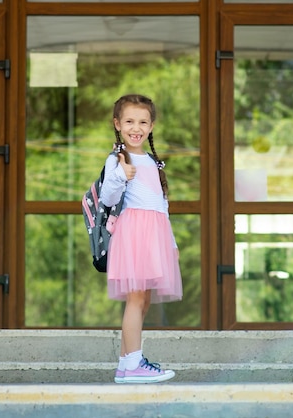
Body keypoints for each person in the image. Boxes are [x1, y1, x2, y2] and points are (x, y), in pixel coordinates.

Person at [100, 94, 183, 384]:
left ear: (152, 126)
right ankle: (134, 363)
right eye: (129, 121)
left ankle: (126, 364)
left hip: (154, 234)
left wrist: (170, 244)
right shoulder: (118, 159)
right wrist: (121, 175)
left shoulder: (151, 160)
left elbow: (162, 205)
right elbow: (108, 198)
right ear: (117, 124)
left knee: (144, 299)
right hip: (134, 232)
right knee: (135, 299)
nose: (136, 128)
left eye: (143, 122)